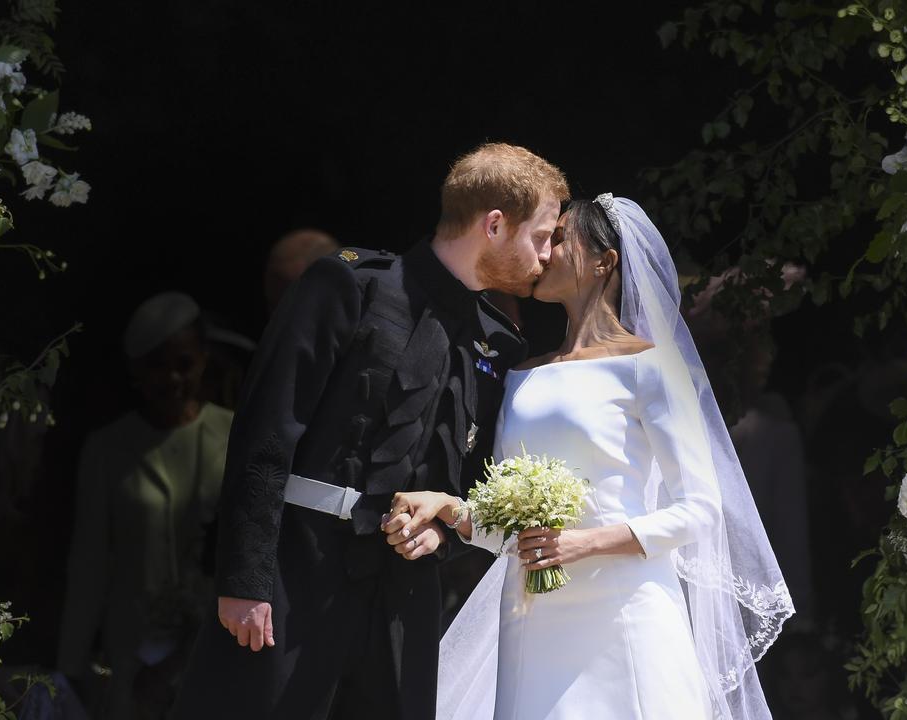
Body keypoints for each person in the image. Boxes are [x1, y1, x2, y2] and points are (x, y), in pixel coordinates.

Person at [171, 143, 569, 720]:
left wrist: (444, 535)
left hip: (403, 596)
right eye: (540, 236)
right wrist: (244, 580)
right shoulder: (347, 286)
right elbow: (265, 434)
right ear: (495, 225)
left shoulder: (499, 344)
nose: (545, 256)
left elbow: (473, 478)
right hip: (296, 570)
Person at [388, 196, 794, 719]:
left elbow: (700, 508)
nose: (544, 251)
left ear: (605, 261)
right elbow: (511, 530)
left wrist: (582, 543)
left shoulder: (648, 367)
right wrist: (450, 508)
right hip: (532, 619)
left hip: (625, 612)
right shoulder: (521, 374)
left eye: (559, 238)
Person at [57, 292, 234, 720]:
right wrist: (69, 671)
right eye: (156, 365)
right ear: (135, 370)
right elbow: (89, 565)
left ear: (204, 359)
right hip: (129, 664)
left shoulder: (236, 435)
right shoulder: (107, 449)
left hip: (213, 651)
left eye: (184, 364)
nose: (172, 378)